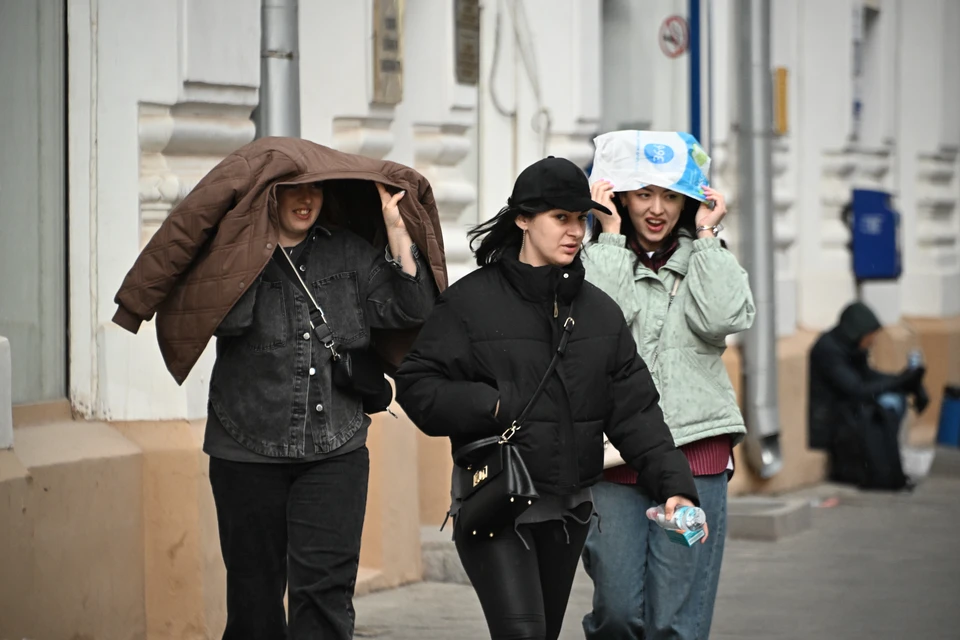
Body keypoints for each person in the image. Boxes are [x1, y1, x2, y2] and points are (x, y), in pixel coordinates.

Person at [112, 138, 444, 639]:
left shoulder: (348, 252)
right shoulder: (234, 256)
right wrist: (242, 245)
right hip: (245, 447)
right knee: (254, 607)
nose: (306, 199)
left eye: (315, 189)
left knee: (325, 597)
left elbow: (413, 309)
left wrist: (397, 230)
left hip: (335, 450)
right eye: (292, 190)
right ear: (269, 196)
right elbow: (214, 307)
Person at [394, 156, 701, 640]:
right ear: (523, 219)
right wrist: (495, 405)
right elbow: (417, 385)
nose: (575, 231)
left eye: (581, 219)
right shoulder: (470, 302)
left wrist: (675, 486)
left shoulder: (600, 313)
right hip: (496, 501)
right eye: (560, 217)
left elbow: (636, 412)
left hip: (568, 509)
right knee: (524, 635)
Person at [580, 130, 756, 640]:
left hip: (695, 454)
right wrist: (609, 236)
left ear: (687, 202)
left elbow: (722, 319)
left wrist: (707, 236)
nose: (656, 209)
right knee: (616, 612)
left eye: (670, 196)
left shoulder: (708, 256)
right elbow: (601, 330)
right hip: (615, 457)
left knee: (674, 621)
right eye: (643, 194)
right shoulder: (597, 258)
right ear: (620, 198)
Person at [808, 301, 928, 491]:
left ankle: (889, 462)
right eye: (870, 336)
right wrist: (900, 381)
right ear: (856, 332)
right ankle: (877, 467)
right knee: (880, 411)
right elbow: (856, 389)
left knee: (893, 400)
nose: (872, 341)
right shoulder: (829, 350)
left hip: (848, 408)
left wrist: (907, 382)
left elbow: (867, 375)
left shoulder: (852, 347)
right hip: (832, 418)